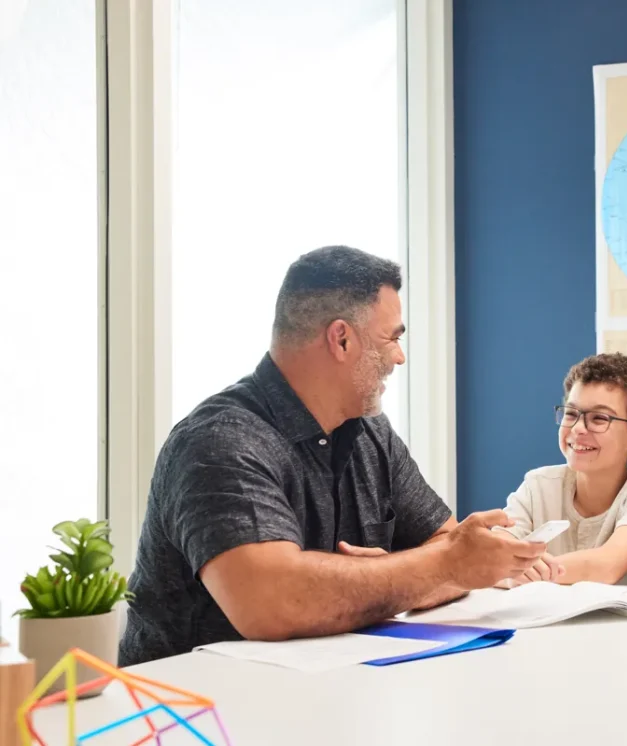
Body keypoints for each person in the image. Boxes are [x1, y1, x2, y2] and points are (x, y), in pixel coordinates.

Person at [119, 246, 546, 666]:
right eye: (392, 338)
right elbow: (274, 603)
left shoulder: (370, 432)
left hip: (329, 700)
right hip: (199, 718)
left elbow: (449, 550)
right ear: (341, 339)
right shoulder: (220, 441)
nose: (400, 356)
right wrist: (416, 574)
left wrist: (389, 578)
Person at [498, 352, 627, 587]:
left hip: (624, 624)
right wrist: (501, 565)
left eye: (599, 418)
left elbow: (606, 566)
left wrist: (519, 571)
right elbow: (491, 558)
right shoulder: (537, 485)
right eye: (571, 413)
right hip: (544, 622)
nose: (578, 428)